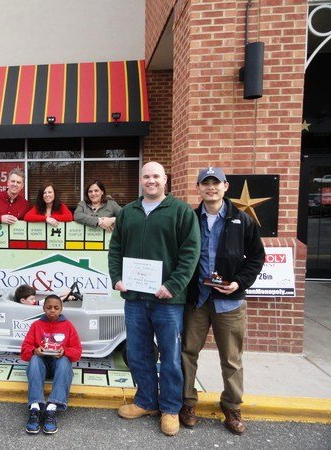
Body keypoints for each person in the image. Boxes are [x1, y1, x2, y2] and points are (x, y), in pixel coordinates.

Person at [108, 161, 200, 436]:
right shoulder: (128, 212)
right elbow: (116, 249)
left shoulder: (181, 212)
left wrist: (173, 285)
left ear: (165, 180)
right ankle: (146, 400)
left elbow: (190, 252)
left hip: (168, 300)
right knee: (138, 352)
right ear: (141, 179)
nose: (151, 181)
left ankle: (170, 408)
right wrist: (116, 278)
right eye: (146, 176)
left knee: (171, 355)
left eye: (156, 176)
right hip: (135, 297)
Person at [180, 167, 265, 435]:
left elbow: (256, 257)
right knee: (188, 353)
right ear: (198, 189)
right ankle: (187, 402)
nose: (211, 188)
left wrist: (239, 282)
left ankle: (231, 405)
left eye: (215, 183)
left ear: (225, 186)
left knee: (231, 358)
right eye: (205, 184)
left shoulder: (242, 220)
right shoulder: (190, 219)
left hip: (229, 302)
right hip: (197, 300)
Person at [20, 294, 82, 435]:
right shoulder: (36, 325)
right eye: (48, 307)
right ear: (43, 308)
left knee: (64, 361)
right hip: (40, 366)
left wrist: (64, 351)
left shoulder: (68, 326)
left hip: (58, 368)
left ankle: (51, 408)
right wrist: (34, 350)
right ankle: (35, 408)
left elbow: (77, 352)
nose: (52, 311)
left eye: (56, 307)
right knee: (34, 359)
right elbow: (24, 351)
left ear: (61, 309)